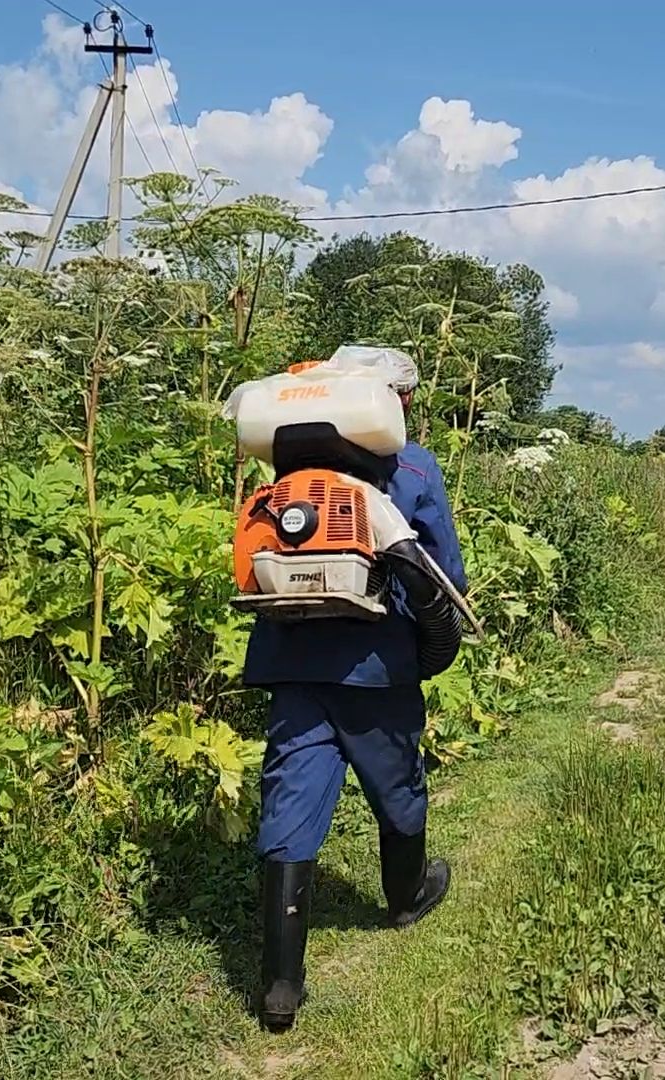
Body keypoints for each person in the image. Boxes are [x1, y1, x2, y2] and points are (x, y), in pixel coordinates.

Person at [241, 355, 468, 1034]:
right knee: (396, 787)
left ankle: (281, 986)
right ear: (397, 401)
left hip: (292, 661)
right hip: (377, 668)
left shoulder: (286, 470)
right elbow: (446, 574)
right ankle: (406, 897)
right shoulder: (413, 468)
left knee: (291, 800)